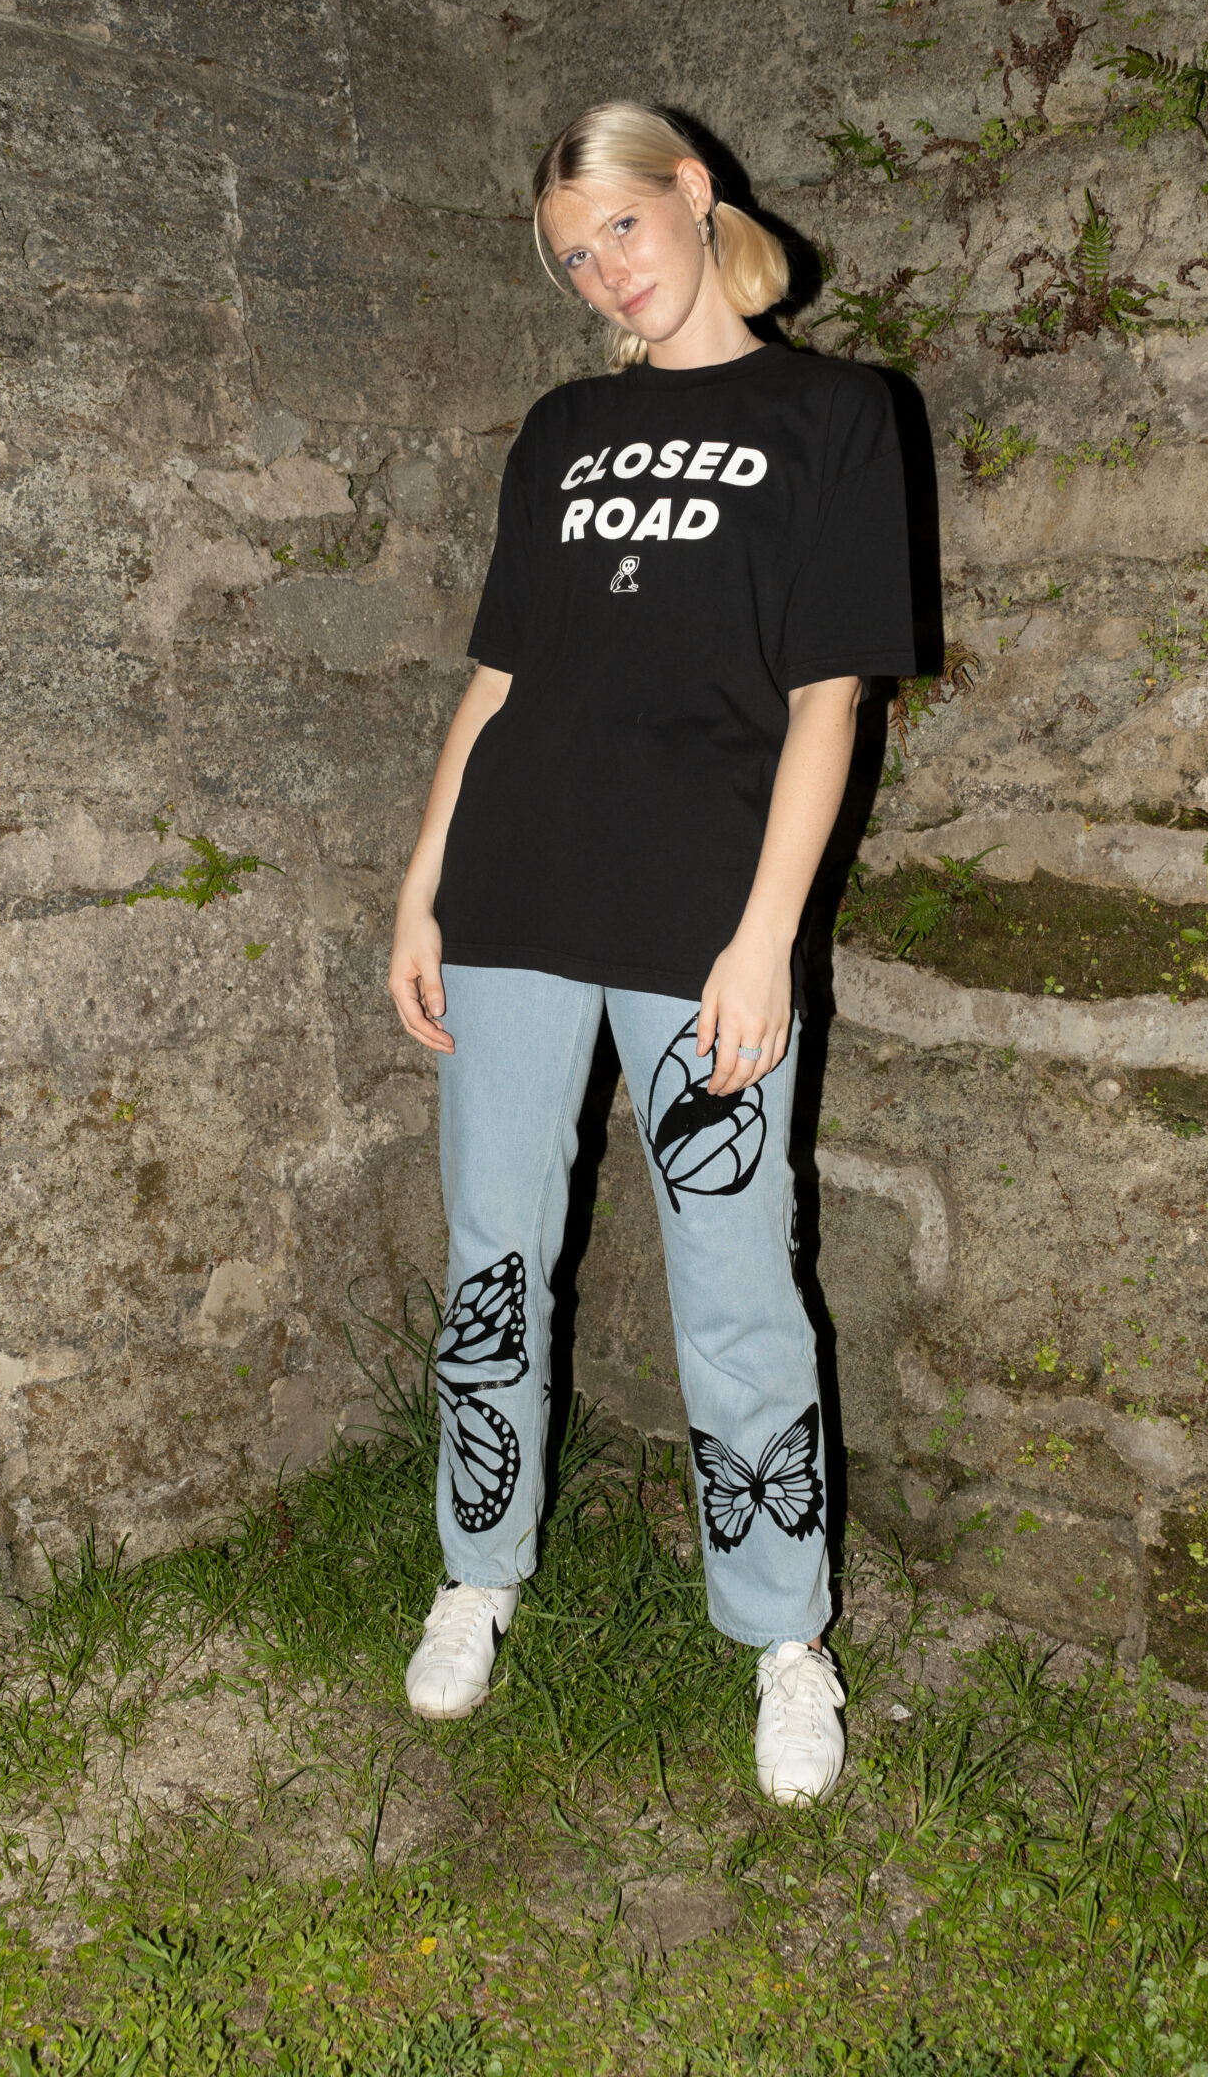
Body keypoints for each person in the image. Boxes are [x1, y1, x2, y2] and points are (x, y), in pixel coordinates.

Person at [386, 101, 914, 1804]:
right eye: (571, 257)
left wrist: (767, 936)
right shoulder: (562, 430)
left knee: (739, 1279)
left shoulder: (837, 414)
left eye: (619, 226)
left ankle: (783, 1635)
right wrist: (422, 889)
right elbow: (498, 682)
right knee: (492, 1255)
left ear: (692, 192)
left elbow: (829, 701)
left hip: (704, 921)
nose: (603, 272)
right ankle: (475, 1572)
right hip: (515, 898)